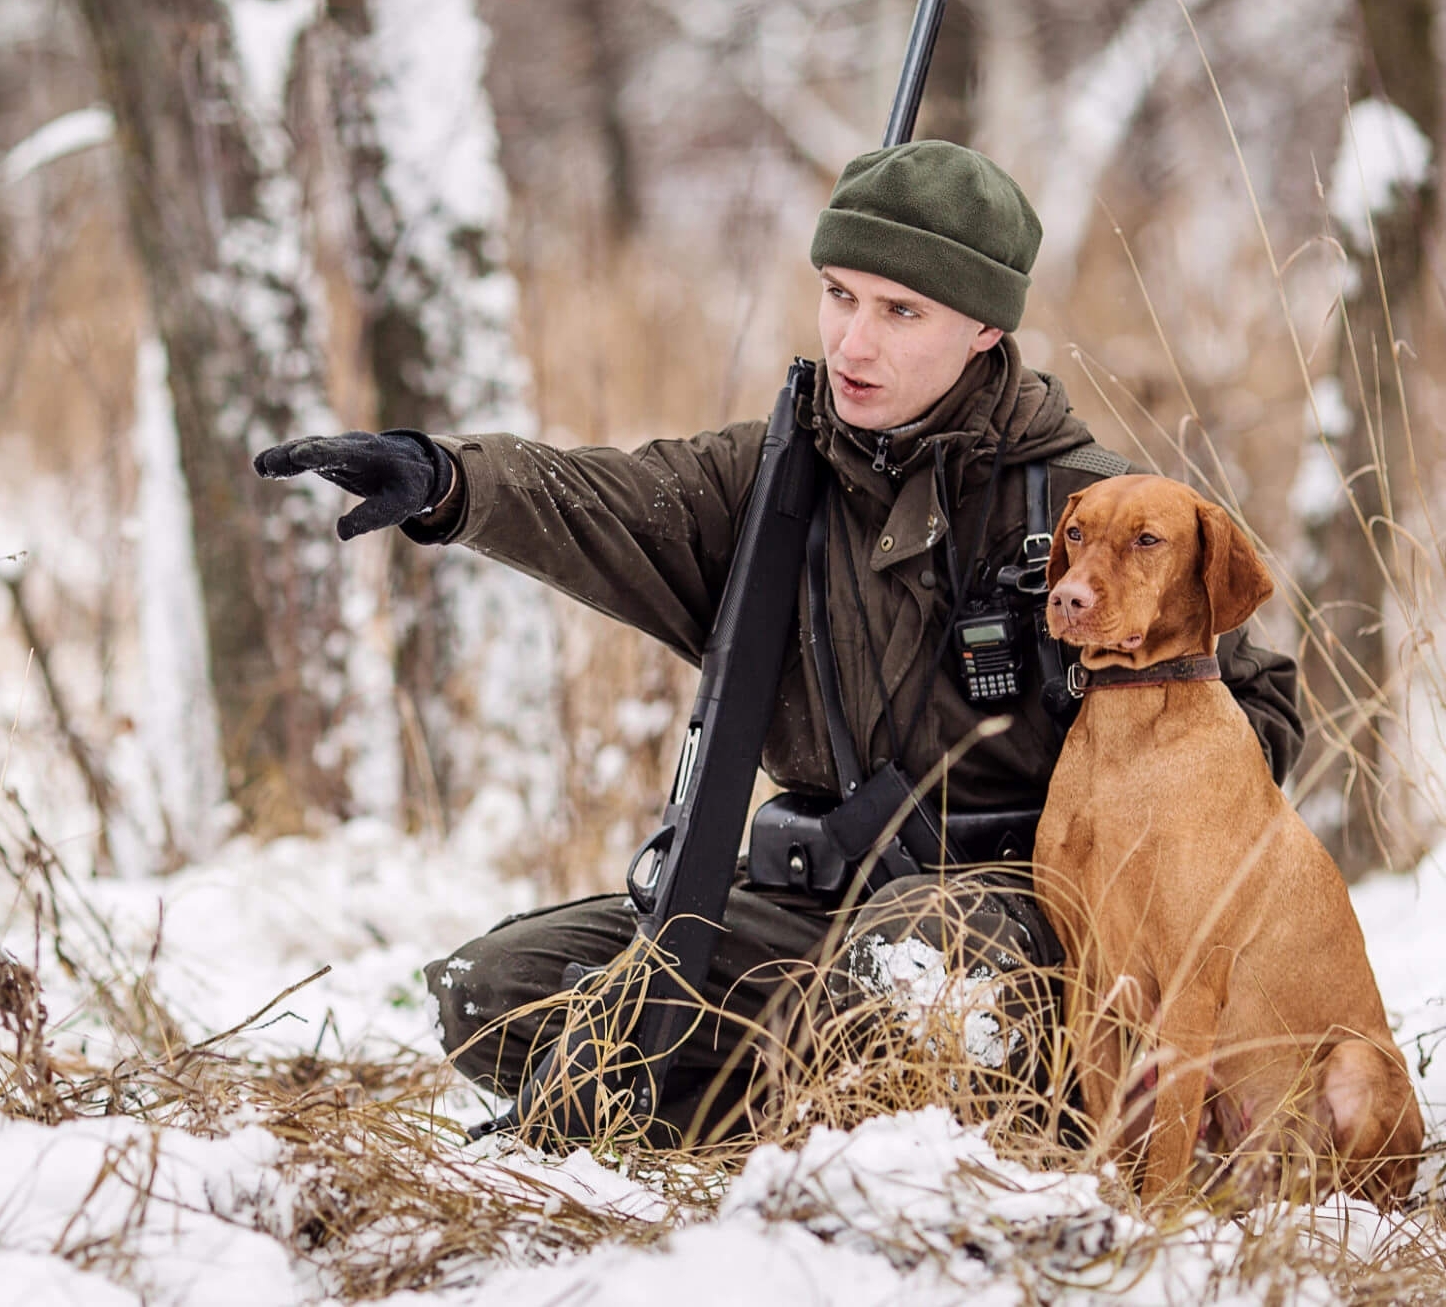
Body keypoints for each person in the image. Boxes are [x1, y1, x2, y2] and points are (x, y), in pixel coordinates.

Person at [254, 141, 1302, 1142]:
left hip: (1027, 929)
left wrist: (1133, 838)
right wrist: (447, 479)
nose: (855, 342)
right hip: (820, 901)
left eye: (902, 310)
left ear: (984, 328)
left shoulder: (1092, 509)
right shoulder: (771, 486)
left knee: (908, 971)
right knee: (495, 994)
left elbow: (1258, 708)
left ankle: (1001, 1124)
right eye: (839, 295)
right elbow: (607, 501)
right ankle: (798, 1129)